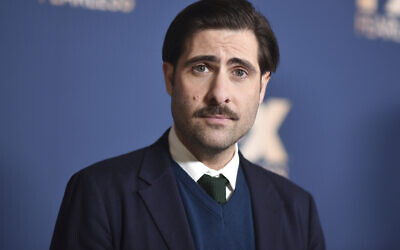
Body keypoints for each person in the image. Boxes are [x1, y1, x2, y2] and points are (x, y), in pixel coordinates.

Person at [50, 0, 325, 249]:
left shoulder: (299, 210)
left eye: (239, 72)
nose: (219, 93)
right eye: (202, 67)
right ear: (170, 78)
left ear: (262, 88)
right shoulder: (100, 194)